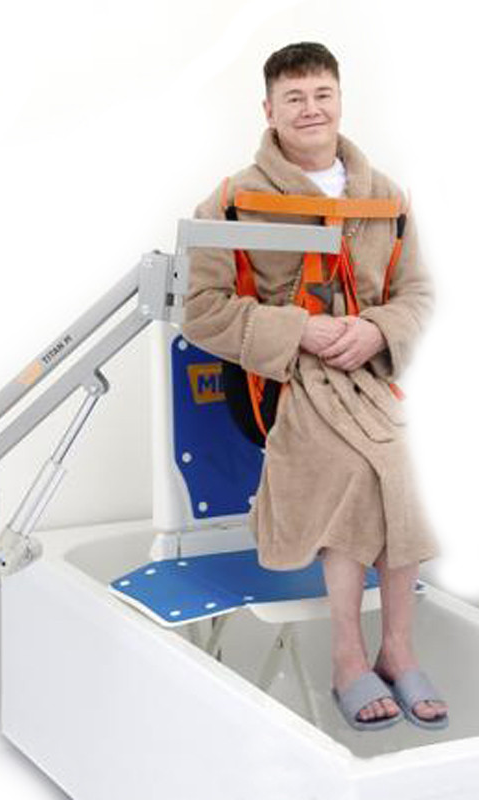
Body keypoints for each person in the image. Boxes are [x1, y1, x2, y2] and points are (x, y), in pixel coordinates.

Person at [181, 42, 449, 729]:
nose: (310, 109)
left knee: (409, 471)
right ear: (269, 110)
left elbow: (417, 292)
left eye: (321, 94)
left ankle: (398, 649)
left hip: (366, 375)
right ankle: (348, 656)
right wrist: (297, 330)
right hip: (282, 382)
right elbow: (201, 310)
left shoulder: (385, 196)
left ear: (340, 100)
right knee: (352, 469)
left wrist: (378, 330)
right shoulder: (232, 200)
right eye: (294, 98)